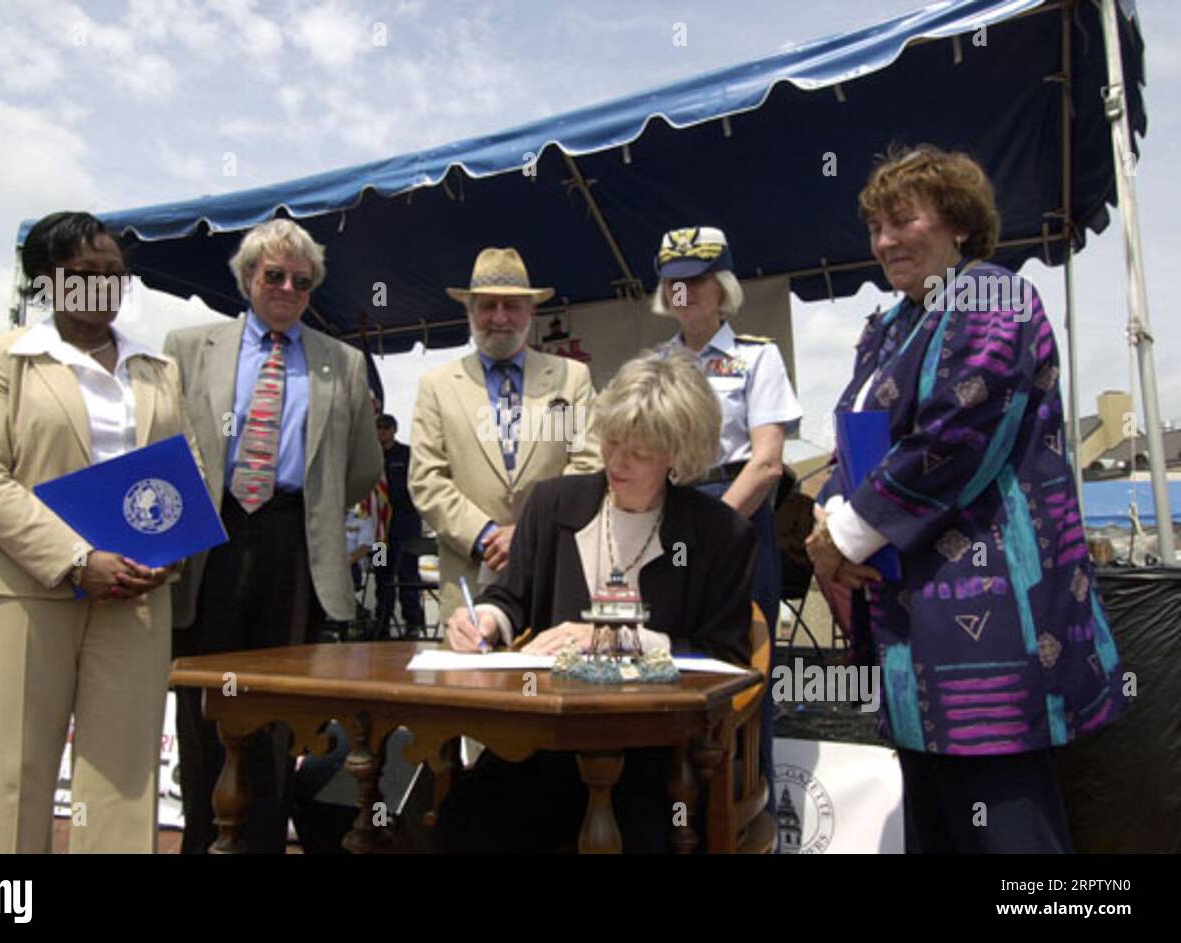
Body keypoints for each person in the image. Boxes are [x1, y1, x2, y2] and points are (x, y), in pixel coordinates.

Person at [808, 144, 1126, 853]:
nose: (885, 241)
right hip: (908, 626)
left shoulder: (994, 296)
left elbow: (956, 435)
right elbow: (851, 440)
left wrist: (850, 533)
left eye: (903, 221)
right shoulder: (887, 327)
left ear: (957, 224)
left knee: (1010, 837)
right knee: (938, 827)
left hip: (993, 618)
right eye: (875, 227)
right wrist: (826, 517)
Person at [0, 211, 195, 853]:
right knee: (16, 772)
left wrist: (170, 554)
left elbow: (179, 476)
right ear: (48, 281)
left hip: (135, 596)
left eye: (116, 274)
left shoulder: (157, 369)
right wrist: (77, 557)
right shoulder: (2, 358)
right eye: (86, 273)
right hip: (24, 590)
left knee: (124, 774)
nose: (103, 286)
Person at [439, 351, 757, 852]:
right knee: (465, 819)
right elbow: (511, 596)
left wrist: (614, 638)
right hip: (547, 740)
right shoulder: (553, 504)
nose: (617, 461)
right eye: (611, 440)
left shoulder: (719, 533)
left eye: (640, 450)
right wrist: (485, 619)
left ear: (678, 453)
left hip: (655, 755)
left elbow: (728, 658)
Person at [164, 218, 381, 854]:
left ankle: (260, 842)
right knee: (206, 706)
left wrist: (309, 505)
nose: (288, 288)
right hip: (211, 540)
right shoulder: (187, 347)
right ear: (247, 278)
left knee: (280, 712)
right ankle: (205, 841)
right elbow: (163, 440)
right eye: (275, 275)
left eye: (303, 281)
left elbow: (363, 465)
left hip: (296, 546)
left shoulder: (343, 363)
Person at [653, 225, 802, 818]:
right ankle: (671, 810)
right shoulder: (654, 364)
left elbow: (767, 464)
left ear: (723, 290)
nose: (683, 294)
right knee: (668, 661)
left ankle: (746, 813)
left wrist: (708, 526)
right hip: (664, 517)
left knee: (744, 666)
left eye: (695, 282)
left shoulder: (758, 356)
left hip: (736, 517)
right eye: (672, 284)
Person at [409, 246, 602, 622]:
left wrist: (528, 533)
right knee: (471, 681)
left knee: (550, 678)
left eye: (512, 305)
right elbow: (426, 479)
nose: (500, 317)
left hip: (552, 575)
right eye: (487, 305)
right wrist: (485, 536)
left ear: (531, 311)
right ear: (470, 312)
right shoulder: (437, 385)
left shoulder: (568, 379)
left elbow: (584, 464)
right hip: (468, 579)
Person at [372, 414, 425, 637]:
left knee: (407, 575)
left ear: (394, 430)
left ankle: (412, 623)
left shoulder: (407, 454)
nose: (382, 432)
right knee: (381, 574)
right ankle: (381, 621)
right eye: (378, 428)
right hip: (379, 530)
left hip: (405, 525)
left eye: (386, 428)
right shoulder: (370, 457)